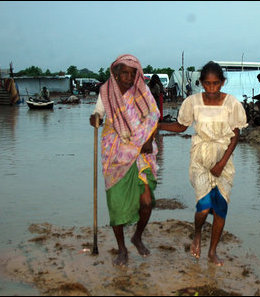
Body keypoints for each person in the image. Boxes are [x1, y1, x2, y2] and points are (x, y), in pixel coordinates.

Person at [158, 61, 247, 266]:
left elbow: (235, 135)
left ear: (223, 82)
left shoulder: (232, 104)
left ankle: (212, 251)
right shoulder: (193, 102)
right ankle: (197, 233)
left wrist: (222, 163)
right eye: (207, 84)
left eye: (216, 83)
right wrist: (159, 126)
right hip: (200, 155)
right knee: (204, 206)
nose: (212, 88)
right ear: (201, 83)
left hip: (223, 157)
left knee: (220, 207)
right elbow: (181, 126)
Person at [89, 54, 160, 266]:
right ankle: (122, 250)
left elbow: (154, 117)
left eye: (132, 74)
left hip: (141, 152)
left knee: (147, 202)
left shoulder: (142, 91)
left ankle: (137, 236)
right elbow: (98, 114)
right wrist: (95, 119)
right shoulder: (106, 93)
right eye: (124, 74)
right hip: (116, 154)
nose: (128, 78)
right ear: (116, 74)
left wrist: (149, 139)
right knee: (117, 205)